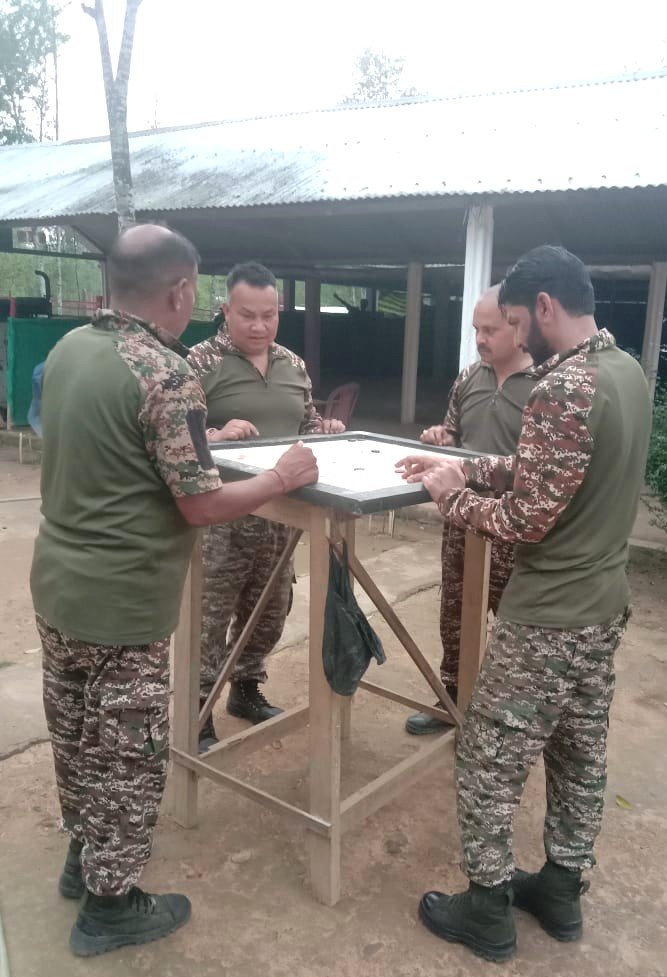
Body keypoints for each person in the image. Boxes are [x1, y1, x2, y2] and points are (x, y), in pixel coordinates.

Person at [30, 226, 318, 958]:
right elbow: (200, 503)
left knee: (76, 735)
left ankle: (84, 855)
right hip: (122, 601)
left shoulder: (67, 350)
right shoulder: (165, 372)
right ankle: (111, 904)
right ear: (183, 291)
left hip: (59, 584)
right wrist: (281, 479)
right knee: (127, 753)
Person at [397, 246, 652, 962]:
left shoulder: (559, 386)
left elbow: (525, 520)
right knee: (577, 751)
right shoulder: (623, 372)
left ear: (541, 308)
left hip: (548, 612)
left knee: (486, 753)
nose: (508, 331)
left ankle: (484, 904)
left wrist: (452, 497)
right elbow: (554, 467)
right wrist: (471, 463)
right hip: (602, 604)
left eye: (512, 318)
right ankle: (561, 888)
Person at [187, 262, 344, 750]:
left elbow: (306, 423)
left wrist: (324, 430)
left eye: (269, 316)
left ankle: (246, 690)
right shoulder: (198, 363)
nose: (259, 326)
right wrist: (214, 434)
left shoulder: (292, 365)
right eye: (247, 315)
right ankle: (196, 711)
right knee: (210, 618)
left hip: (282, 516)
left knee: (270, 612)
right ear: (225, 310)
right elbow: (171, 440)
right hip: (223, 517)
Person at [405, 284, 534, 734]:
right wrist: (442, 438)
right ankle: (453, 702)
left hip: (514, 524)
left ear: (518, 328)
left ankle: (505, 719)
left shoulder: (543, 386)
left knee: (514, 621)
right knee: (457, 612)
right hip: (462, 517)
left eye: (491, 329)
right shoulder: (469, 379)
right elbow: (456, 437)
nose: (481, 338)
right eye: (476, 329)